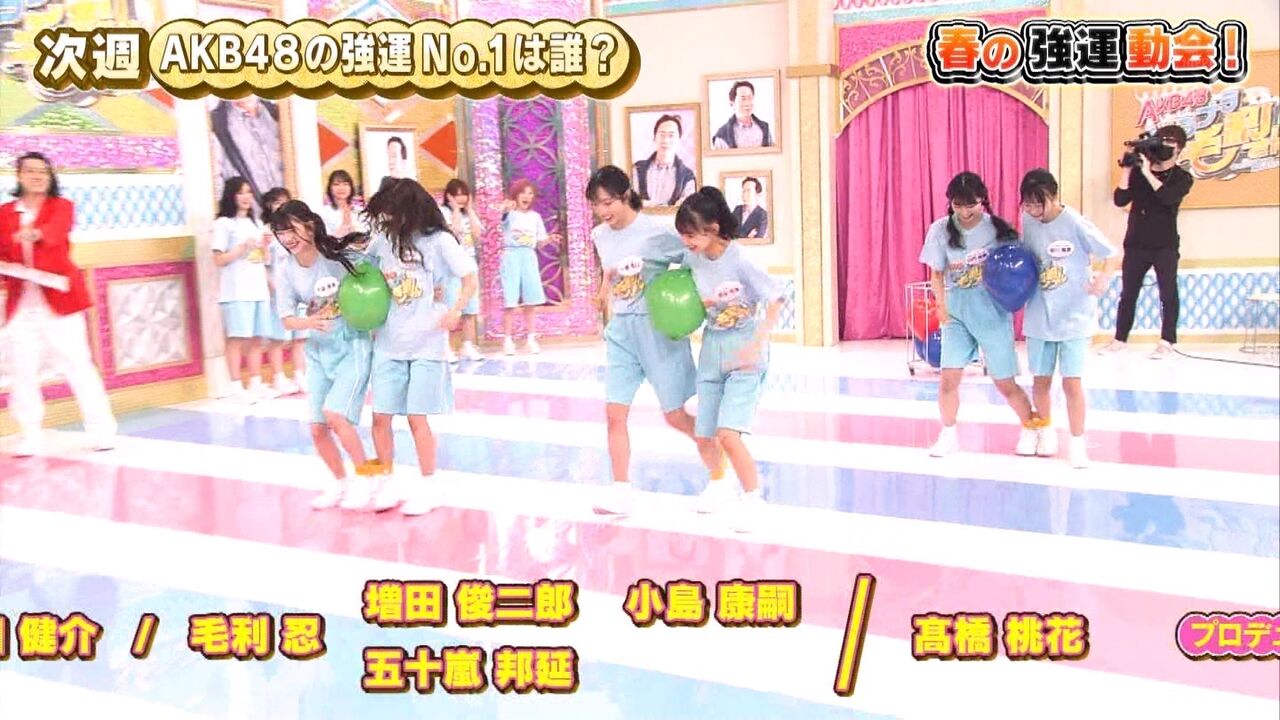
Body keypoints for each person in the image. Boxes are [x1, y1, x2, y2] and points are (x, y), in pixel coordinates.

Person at [586, 166, 724, 516]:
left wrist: (703, 300)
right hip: (621, 333)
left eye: (607, 203)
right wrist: (603, 292)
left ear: (625, 196)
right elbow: (611, 269)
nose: (602, 211)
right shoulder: (600, 234)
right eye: (596, 205)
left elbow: (695, 257)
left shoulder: (656, 233)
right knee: (614, 414)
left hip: (657, 332)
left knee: (675, 416)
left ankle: (720, 475)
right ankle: (621, 490)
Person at [362, 178, 478, 515]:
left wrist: (455, 310)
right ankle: (385, 482)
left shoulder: (439, 241)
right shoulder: (382, 241)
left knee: (417, 418)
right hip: (388, 342)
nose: (390, 218)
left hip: (427, 342)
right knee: (380, 417)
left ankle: (429, 486)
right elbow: (363, 276)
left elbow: (469, 277)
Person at [674, 187, 784, 532]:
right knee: (705, 433)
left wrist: (757, 344)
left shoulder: (741, 259)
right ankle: (719, 485)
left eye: (691, 234)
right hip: (712, 350)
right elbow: (691, 298)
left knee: (728, 434)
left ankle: (754, 499)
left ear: (714, 227)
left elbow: (777, 297)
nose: (686, 241)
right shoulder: (691, 259)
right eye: (683, 234)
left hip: (745, 352)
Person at [0, 152, 116, 457]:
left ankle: (101, 430)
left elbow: (55, 233)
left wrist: (35, 233)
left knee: (77, 364)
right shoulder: (5, 212)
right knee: (22, 369)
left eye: (43, 171)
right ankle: (30, 433)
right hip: (22, 304)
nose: (38, 176)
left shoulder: (62, 206)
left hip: (60, 300)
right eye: (31, 171)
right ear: (19, 175)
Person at [268, 199, 380, 510]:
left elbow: (375, 276)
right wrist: (309, 322)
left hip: (352, 346)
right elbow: (287, 319)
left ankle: (368, 478)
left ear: (309, 225)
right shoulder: (286, 269)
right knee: (318, 428)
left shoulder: (338, 256)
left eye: (291, 229)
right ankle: (340, 483)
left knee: (336, 416)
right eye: (280, 233)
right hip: (318, 351)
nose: (287, 238)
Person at [919, 171, 1038, 457]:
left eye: (971, 204)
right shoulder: (940, 230)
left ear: (982, 200)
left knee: (1005, 382)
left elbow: (1018, 268)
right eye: (958, 205)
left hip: (992, 314)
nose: (964, 212)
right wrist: (942, 307)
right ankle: (948, 434)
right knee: (948, 379)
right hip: (957, 315)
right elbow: (936, 274)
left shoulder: (997, 230)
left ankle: (1031, 429)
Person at [1020, 169, 1118, 468]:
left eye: (1039, 203)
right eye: (1028, 204)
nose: (1034, 210)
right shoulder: (1028, 221)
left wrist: (1103, 279)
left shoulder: (1074, 222)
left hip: (1074, 315)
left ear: (1054, 196)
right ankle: (1045, 431)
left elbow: (1110, 254)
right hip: (1040, 314)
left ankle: (1077, 442)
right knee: (1040, 381)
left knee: (1072, 383)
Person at [1101, 125, 1194, 359]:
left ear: (1179, 149)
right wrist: (1127, 169)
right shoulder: (1139, 172)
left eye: (1170, 143)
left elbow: (1167, 197)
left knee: (1168, 293)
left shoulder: (1182, 177)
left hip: (1165, 244)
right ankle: (1119, 339)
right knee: (1128, 293)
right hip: (1136, 242)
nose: (1163, 147)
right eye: (1161, 141)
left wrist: (1147, 173)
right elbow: (1120, 199)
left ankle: (1167, 341)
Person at [212, 176, 275, 402]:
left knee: (257, 338)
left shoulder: (256, 223)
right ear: (231, 196)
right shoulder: (224, 224)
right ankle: (235, 386)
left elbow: (263, 260)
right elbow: (219, 260)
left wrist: (265, 248)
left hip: (258, 289)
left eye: (248, 192)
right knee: (237, 339)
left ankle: (255, 382)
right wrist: (241, 248)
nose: (246, 197)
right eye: (240, 192)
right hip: (236, 291)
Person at [499, 179, 560, 355]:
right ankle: (507, 340)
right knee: (510, 300)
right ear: (516, 195)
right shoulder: (509, 214)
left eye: (530, 193)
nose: (527, 196)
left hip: (529, 256)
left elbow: (539, 242)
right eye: (523, 193)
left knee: (530, 301)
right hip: (511, 255)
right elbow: (500, 219)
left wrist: (550, 239)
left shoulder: (535, 217)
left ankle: (531, 339)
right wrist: (505, 209)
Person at [259, 187, 303, 396]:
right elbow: (263, 263)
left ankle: (299, 374)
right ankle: (278, 376)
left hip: (298, 288)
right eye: (276, 202)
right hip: (278, 291)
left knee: (300, 335)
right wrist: (272, 287)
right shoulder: (266, 231)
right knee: (278, 336)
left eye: (284, 201)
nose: (280, 206)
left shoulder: (296, 229)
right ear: (269, 205)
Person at [210, 97, 284, 214]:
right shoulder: (218, 121)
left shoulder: (277, 112)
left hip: (286, 211)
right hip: (251, 216)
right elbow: (216, 175)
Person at [440, 178, 485, 362]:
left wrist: (470, 210)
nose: (461, 198)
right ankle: (447, 347)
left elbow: (477, 234)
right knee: (451, 304)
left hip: (469, 262)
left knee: (470, 306)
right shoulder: (442, 212)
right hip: (451, 266)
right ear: (449, 196)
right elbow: (454, 232)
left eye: (464, 194)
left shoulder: (469, 213)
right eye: (456, 195)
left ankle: (467, 345)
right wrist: (456, 211)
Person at [631, 114, 697, 208]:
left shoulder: (687, 176)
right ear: (654, 138)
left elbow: (689, 207)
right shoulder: (638, 169)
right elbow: (630, 202)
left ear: (679, 140)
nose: (666, 140)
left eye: (671, 135)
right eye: (662, 135)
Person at [711, 80, 774, 150]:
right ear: (732, 103)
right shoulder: (722, 135)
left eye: (750, 98)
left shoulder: (765, 129)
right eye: (743, 99)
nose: (747, 103)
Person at [317, 170, 367, 238]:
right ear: (330, 188)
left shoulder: (360, 211)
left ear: (351, 188)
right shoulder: (323, 213)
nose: (341, 188)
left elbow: (366, 234)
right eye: (336, 184)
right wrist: (344, 225)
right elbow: (324, 238)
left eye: (345, 184)